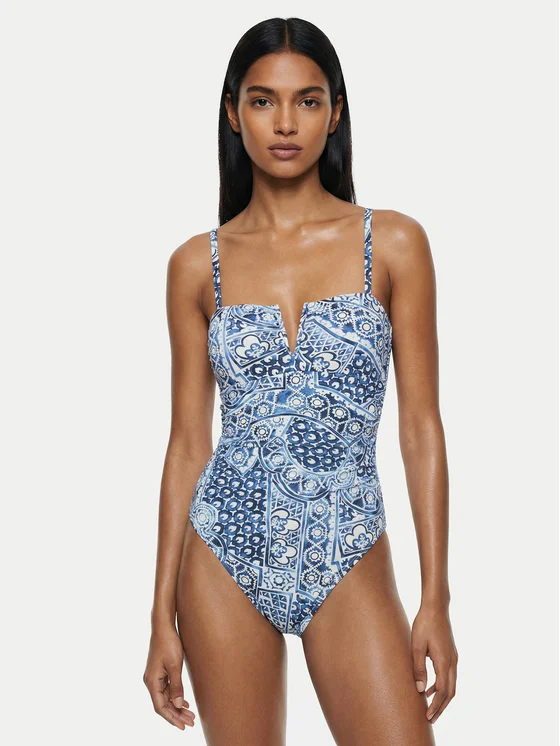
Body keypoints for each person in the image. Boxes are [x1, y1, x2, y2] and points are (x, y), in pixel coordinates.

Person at [144, 16, 458, 746]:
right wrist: (160, 612)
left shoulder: (394, 243)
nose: (285, 123)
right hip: (221, 550)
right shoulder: (195, 265)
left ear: (335, 112)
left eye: (307, 101)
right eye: (263, 100)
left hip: (348, 545)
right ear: (233, 114)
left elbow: (421, 429)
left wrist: (436, 597)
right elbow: (188, 444)